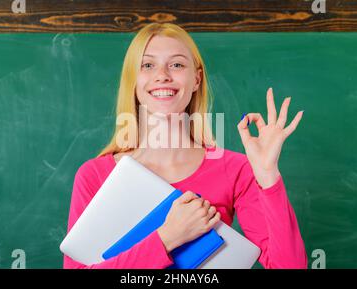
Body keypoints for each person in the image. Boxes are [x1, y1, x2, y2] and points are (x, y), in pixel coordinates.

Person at [63, 22, 307, 269]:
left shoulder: (235, 169)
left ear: (197, 79)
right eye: (147, 65)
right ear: (132, 80)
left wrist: (267, 176)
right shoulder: (95, 175)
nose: (162, 75)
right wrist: (167, 238)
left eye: (177, 64)